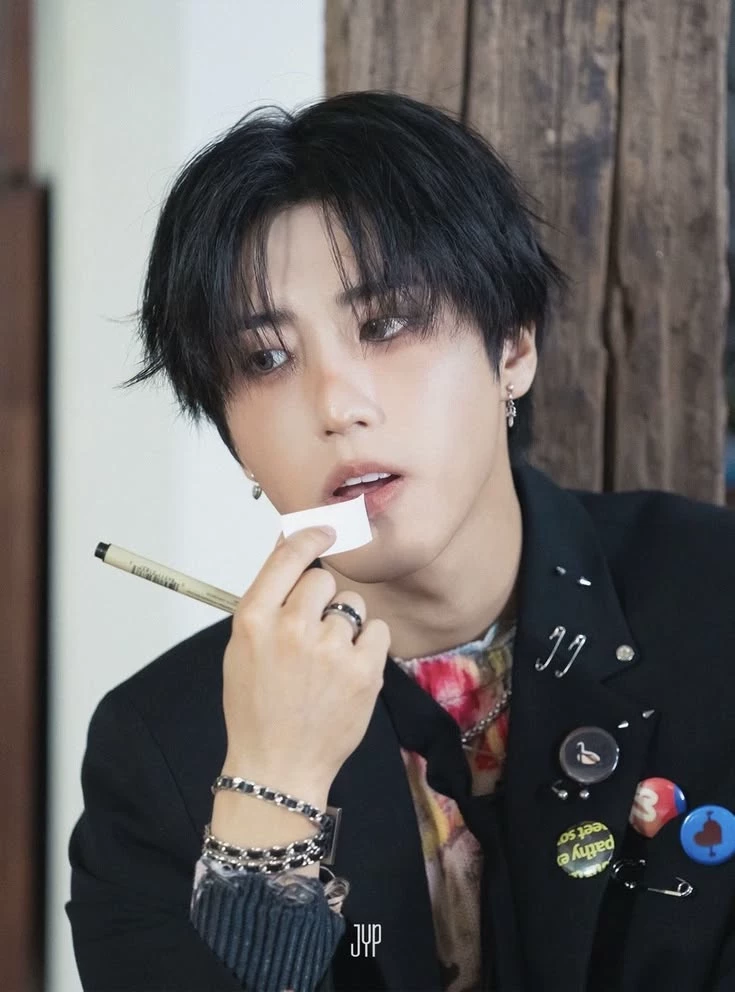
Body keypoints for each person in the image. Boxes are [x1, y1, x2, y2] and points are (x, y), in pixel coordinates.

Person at [66, 90, 735, 992]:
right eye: (265, 359)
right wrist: (270, 790)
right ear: (234, 439)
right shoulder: (159, 747)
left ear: (512, 348)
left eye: (385, 324)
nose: (336, 405)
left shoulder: (712, 598)